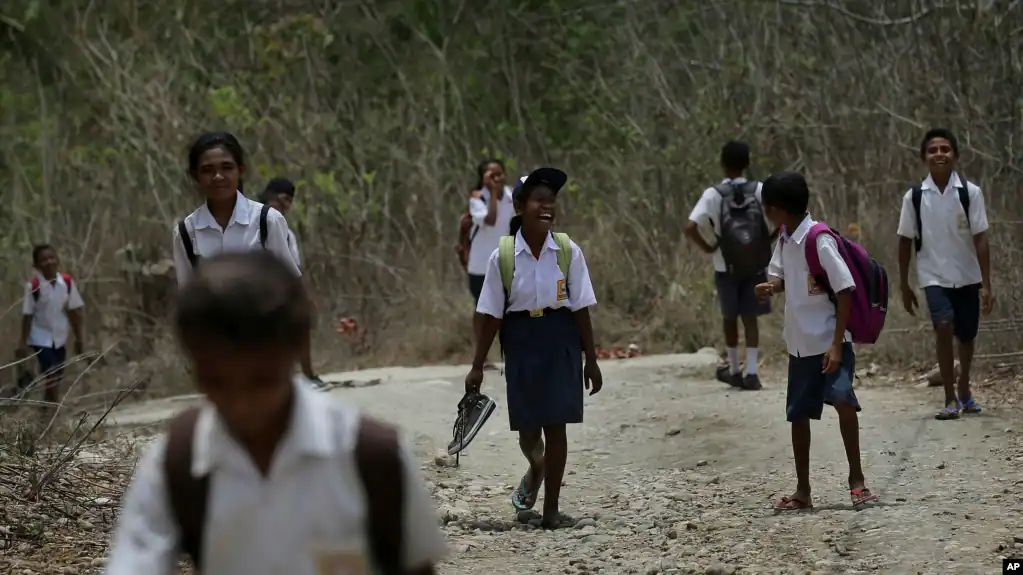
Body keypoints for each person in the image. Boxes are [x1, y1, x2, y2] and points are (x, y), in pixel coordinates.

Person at [105, 251, 446, 575]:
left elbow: (415, 566)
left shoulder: (371, 456)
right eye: (216, 382)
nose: (241, 403)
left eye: (262, 381)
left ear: (296, 353)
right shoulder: (177, 462)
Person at [465, 167, 603, 529]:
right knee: (529, 429)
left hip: (560, 339)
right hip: (521, 340)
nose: (548, 207)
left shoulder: (569, 252)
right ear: (520, 206)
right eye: (539, 200)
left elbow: (581, 308)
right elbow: (491, 316)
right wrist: (477, 364)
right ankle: (536, 465)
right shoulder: (504, 257)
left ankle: (551, 511)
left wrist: (592, 359)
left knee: (556, 427)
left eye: (552, 201)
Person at [754, 171, 879, 511]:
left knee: (843, 402)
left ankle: (858, 481)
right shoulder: (785, 237)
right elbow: (780, 275)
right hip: (799, 344)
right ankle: (803, 490)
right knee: (798, 414)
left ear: (777, 208)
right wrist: (773, 287)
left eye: (767, 206)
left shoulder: (819, 239)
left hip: (829, 341)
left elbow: (845, 290)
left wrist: (837, 343)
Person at [897, 128, 992, 420]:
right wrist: (904, 284)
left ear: (956, 155)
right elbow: (904, 240)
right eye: (933, 150)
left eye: (945, 149)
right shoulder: (914, 197)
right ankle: (949, 396)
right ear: (924, 157)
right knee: (943, 326)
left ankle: (964, 388)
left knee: (966, 335)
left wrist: (987, 284)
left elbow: (981, 238)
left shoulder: (970, 192)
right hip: (933, 275)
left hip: (967, 275)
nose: (940, 154)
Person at [685, 141, 773, 391]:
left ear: (722, 164)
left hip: (726, 267)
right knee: (751, 317)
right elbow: (778, 218)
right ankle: (753, 372)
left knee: (730, 317)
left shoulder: (713, 194)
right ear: (747, 163)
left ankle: (735, 370)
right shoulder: (760, 190)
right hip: (755, 265)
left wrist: (709, 247)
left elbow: (690, 227)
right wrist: (767, 241)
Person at [172, 131, 300, 286]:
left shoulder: (267, 221)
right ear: (195, 175)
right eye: (207, 170)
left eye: (227, 167)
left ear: (240, 170)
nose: (218, 176)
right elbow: (187, 293)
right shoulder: (186, 232)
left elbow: (290, 285)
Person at [259, 177, 325, 389]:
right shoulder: (249, 225)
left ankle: (307, 375)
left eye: (289, 201)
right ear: (270, 196)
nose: (285, 206)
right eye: (282, 199)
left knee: (300, 324)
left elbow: (293, 267)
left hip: (279, 291)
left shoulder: (286, 233)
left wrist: (305, 296)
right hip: (252, 291)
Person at [19, 244, 85, 404]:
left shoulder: (67, 283)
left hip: (60, 337)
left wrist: (79, 339)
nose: (49, 262)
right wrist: (22, 343)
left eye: (51, 257)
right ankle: (51, 413)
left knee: (56, 378)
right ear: (36, 265)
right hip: (40, 338)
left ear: (57, 260)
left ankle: (46, 413)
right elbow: (27, 315)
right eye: (43, 260)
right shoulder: (33, 287)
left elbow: (72, 311)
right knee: (52, 375)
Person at [466, 159, 514, 369]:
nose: (497, 179)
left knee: (508, 307)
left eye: (499, 174)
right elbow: (491, 220)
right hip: (481, 263)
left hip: (504, 260)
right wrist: (493, 194)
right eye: (491, 175)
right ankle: (481, 354)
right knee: (482, 308)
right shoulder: (478, 200)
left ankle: (511, 350)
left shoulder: (512, 196)